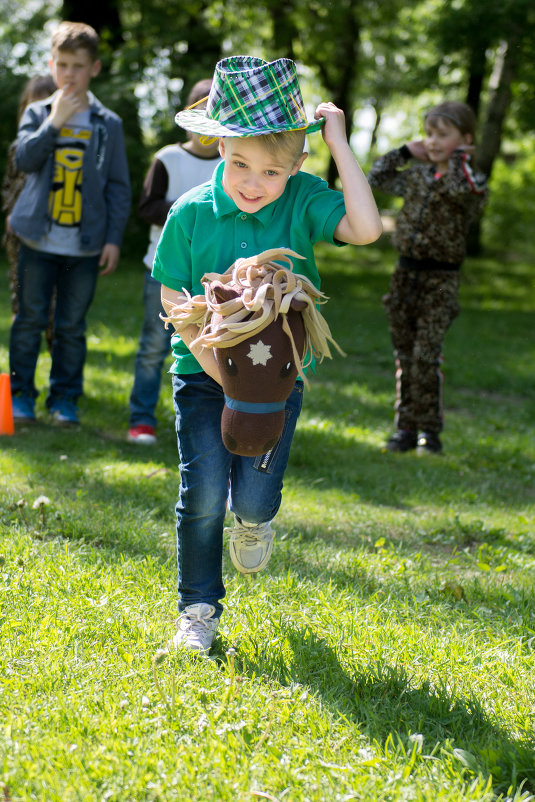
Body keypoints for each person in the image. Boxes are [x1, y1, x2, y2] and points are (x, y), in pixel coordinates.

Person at [153, 55, 382, 654]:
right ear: (218, 148)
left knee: (252, 497)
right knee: (201, 493)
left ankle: (254, 519)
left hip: (276, 383)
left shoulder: (303, 197)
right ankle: (198, 609)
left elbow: (367, 228)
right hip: (202, 374)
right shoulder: (191, 211)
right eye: (239, 165)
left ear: (299, 165)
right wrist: (217, 365)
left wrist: (338, 142)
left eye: (273, 171)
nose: (253, 183)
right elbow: (172, 291)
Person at [8, 21, 131, 426]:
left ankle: (65, 401)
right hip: (36, 242)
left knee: (72, 327)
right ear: (51, 63)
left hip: (84, 247)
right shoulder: (39, 113)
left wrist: (113, 238)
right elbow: (23, 159)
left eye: (77, 66)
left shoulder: (107, 123)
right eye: (61, 65)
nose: (68, 75)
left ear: (94, 68)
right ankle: (20, 397)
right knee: (28, 321)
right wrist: (54, 122)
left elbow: (117, 186)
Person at [368, 101, 488, 455]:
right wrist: (405, 151)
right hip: (405, 275)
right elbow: (377, 177)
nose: (433, 142)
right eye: (429, 134)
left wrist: (460, 158)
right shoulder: (418, 175)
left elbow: (464, 190)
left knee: (426, 356)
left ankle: (429, 432)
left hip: (441, 280)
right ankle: (404, 428)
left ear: (465, 139)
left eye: (443, 135)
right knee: (404, 356)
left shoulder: (469, 178)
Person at [127, 78, 221, 445]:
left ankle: (216, 425)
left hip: (214, 279)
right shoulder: (168, 157)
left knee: (212, 348)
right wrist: (188, 211)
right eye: (200, 109)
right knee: (154, 346)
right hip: (163, 271)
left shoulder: (233, 161)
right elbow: (147, 207)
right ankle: (141, 420)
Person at [2, 74, 57, 350]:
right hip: (21, 236)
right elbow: (9, 187)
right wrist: (10, 214)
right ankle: (19, 377)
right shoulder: (18, 149)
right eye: (31, 106)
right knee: (23, 301)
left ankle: (60, 379)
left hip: (58, 233)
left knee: (56, 308)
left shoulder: (67, 146)